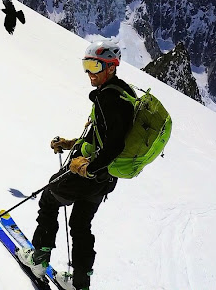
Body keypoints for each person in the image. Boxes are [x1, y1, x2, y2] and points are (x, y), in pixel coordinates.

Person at [16, 40, 136, 290]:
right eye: (86, 65)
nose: (89, 72)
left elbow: (114, 146)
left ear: (111, 67)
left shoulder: (109, 98)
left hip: (92, 174)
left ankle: (38, 260)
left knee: (49, 198)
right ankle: (79, 284)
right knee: (81, 225)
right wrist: (71, 143)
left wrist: (87, 168)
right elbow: (103, 135)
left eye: (94, 65)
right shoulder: (123, 92)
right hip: (105, 180)